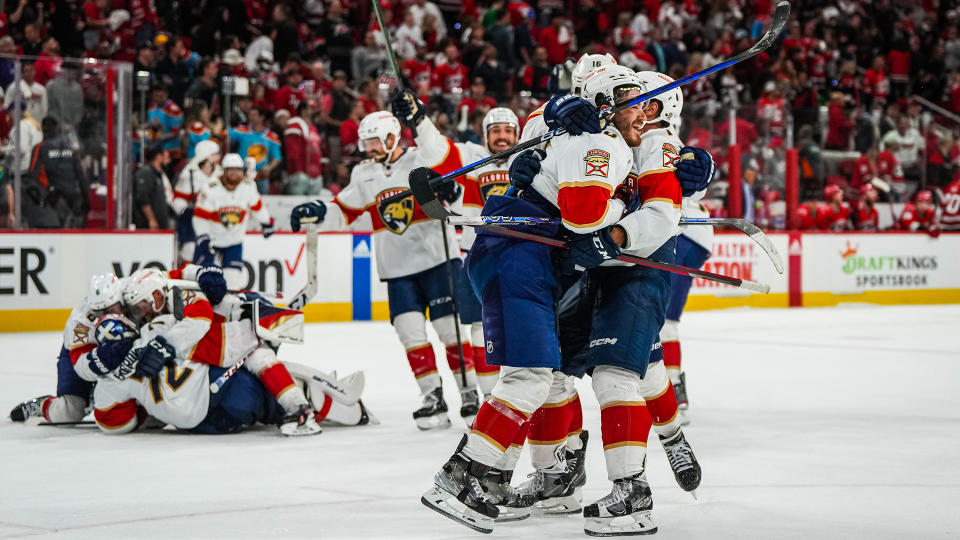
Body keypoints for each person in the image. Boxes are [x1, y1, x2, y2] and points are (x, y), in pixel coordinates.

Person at [289, 111, 479, 431]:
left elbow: (456, 196)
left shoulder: (422, 159)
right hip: (396, 269)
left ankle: (469, 391)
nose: (370, 148)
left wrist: (449, 192)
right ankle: (432, 395)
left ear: (393, 137)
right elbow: (343, 210)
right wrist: (318, 212)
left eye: (375, 141)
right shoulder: (364, 175)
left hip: (437, 261)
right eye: (366, 143)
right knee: (410, 335)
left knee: (451, 332)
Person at [392, 92, 520, 399]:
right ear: (485, 135)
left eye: (507, 131)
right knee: (480, 328)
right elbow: (437, 150)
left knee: (523, 327)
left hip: (522, 256)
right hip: (478, 257)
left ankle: (527, 395)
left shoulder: (529, 159)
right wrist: (419, 119)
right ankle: (490, 398)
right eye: (495, 131)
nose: (501, 138)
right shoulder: (471, 157)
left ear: (517, 135)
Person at [91, 312, 373, 435]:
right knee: (259, 357)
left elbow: (117, 424)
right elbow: (246, 337)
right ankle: (322, 408)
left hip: (201, 429)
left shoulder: (108, 380)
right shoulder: (170, 331)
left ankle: (316, 396)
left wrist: (151, 410)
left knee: (256, 380)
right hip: (227, 401)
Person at [116, 268, 321, 436]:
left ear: (156, 295)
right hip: (213, 331)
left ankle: (299, 407)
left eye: (141, 307)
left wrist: (165, 345)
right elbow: (183, 272)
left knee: (258, 353)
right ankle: (295, 398)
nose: (141, 314)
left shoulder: (179, 293)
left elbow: (200, 320)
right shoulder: (157, 284)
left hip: (235, 317)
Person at [9, 267, 226, 424]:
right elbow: (81, 367)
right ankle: (42, 406)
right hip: (84, 353)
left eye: (114, 309)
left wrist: (201, 273)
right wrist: (100, 361)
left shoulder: (127, 289)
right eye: (102, 313)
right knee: (71, 410)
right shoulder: (80, 324)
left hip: (118, 354)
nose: (110, 316)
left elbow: (172, 277)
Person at [192, 153, 275, 289]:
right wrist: (203, 237)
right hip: (211, 241)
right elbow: (200, 217)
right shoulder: (210, 188)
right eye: (231, 170)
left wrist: (267, 222)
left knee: (233, 282)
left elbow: (257, 207)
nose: (235, 173)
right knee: (201, 280)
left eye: (238, 170)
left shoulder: (248, 187)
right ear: (224, 171)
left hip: (233, 242)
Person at [26, 116, 88, 228]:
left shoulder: (40, 148)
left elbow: (33, 174)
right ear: (57, 128)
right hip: (73, 196)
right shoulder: (71, 149)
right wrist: (86, 199)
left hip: (53, 199)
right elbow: (81, 176)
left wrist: (42, 194)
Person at [173, 139, 220, 264]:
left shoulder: (220, 173)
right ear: (207, 156)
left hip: (215, 220)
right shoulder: (189, 174)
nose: (218, 157)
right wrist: (186, 210)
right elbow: (178, 199)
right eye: (215, 154)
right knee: (189, 250)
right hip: (193, 219)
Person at [227, 106, 282, 194]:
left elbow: (277, 157)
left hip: (261, 175)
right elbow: (226, 135)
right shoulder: (241, 131)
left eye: (254, 115)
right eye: (250, 115)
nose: (251, 117)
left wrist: (269, 168)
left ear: (262, 117)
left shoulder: (272, 137)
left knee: (262, 201)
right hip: (243, 174)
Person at [283, 101, 324, 195]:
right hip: (300, 174)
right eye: (311, 108)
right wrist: (298, 171)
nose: (314, 111)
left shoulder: (313, 127)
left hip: (315, 175)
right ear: (304, 111)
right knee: (298, 205)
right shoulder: (294, 126)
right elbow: (292, 151)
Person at [132, 146, 172, 230]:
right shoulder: (145, 173)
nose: (169, 160)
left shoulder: (159, 174)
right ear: (158, 157)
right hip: (147, 225)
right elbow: (143, 198)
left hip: (160, 223)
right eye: (166, 157)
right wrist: (151, 219)